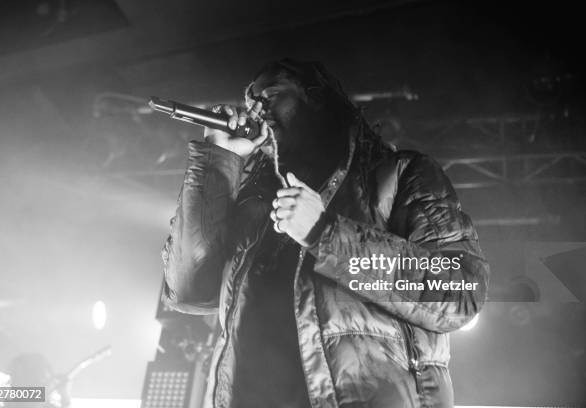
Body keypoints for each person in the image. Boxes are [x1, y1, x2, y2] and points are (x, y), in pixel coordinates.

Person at [161, 58, 490, 408]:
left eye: (270, 94)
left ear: (316, 98)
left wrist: (324, 232)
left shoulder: (398, 173)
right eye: (251, 101)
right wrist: (217, 158)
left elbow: (459, 292)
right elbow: (189, 292)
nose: (257, 109)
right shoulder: (254, 202)